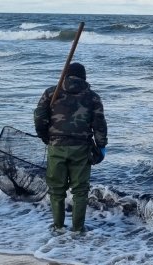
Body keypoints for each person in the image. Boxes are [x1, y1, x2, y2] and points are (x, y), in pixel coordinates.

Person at [34, 62, 108, 234]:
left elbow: (39, 117)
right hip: (81, 148)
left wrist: (45, 136)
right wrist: (101, 145)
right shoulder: (93, 97)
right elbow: (99, 124)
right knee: (80, 191)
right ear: (84, 77)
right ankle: (78, 229)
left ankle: (58, 227)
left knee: (57, 190)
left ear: (66, 75)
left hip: (56, 146)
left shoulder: (51, 92)